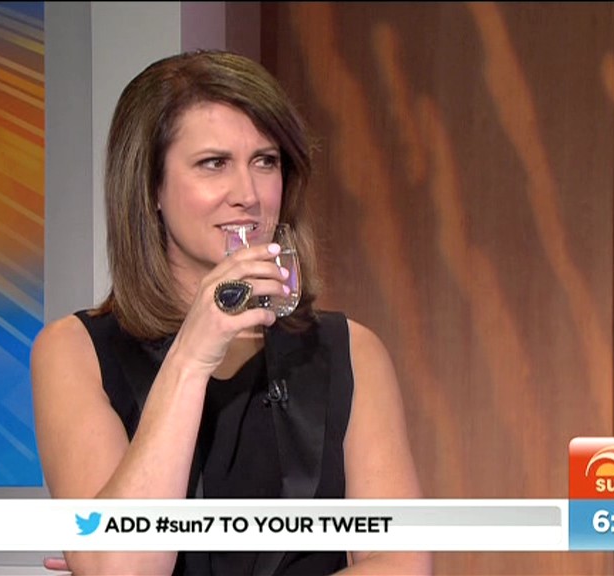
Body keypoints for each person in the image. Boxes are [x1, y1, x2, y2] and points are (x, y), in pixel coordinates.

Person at [31, 49, 431, 575]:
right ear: (150, 187)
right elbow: (121, 565)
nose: (248, 194)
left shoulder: (350, 351)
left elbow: (401, 565)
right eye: (214, 164)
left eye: (265, 161)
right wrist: (192, 355)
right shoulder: (73, 351)